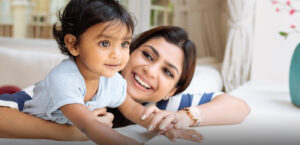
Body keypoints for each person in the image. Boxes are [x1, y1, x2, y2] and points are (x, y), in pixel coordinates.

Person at [0, 25, 250, 143]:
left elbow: (238, 107)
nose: (149, 70)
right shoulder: (76, 85)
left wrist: (186, 117)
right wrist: (71, 133)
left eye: (167, 71)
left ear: (174, 89)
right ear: (128, 50)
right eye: (147, 55)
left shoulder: (161, 105)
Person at [0, 0, 158, 145]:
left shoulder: (113, 80)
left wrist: (165, 126)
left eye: (124, 44)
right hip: (19, 108)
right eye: (105, 43)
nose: (117, 54)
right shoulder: (64, 78)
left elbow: (133, 110)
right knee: (10, 93)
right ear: (73, 44)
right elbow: (88, 125)